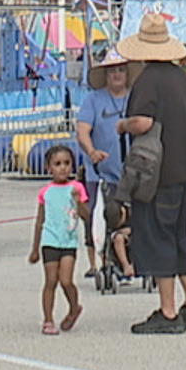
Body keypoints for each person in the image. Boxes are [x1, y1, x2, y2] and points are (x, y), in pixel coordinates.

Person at [118, 12, 186, 334]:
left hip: (160, 173)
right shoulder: (183, 78)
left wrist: (123, 124)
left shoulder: (148, 80)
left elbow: (142, 122)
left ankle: (168, 311)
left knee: (158, 237)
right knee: (177, 234)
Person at [74, 49, 131, 278]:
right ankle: (102, 261)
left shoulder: (135, 97)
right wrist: (91, 151)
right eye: (112, 71)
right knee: (98, 219)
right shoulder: (93, 100)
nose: (116, 75)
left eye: (121, 70)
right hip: (99, 174)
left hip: (131, 173)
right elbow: (82, 131)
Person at [28, 145, 85, 335]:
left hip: (68, 241)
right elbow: (40, 221)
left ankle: (74, 306)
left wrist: (78, 202)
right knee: (51, 280)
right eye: (57, 164)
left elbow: (86, 215)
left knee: (66, 280)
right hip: (49, 240)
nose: (63, 168)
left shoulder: (76, 188)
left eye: (67, 163)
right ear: (48, 167)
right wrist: (35, 248)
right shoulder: (46, 192)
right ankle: (48, 319)